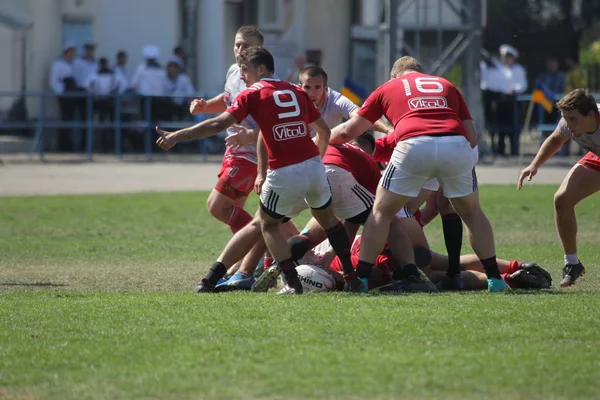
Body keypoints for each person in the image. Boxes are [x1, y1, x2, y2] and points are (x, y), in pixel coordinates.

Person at [156, 46, 360, 294]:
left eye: (245, 70)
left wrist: (178, 136)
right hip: (315, 169)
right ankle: (352, 278)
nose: (242, 76)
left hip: (285, 173)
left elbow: (219, 123)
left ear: (261, 69)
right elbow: (323, 131)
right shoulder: (296, 90)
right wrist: (316, 157)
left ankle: (290, 282)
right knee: (330, 223)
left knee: (267, 225)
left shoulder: (253, 93)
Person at [328, 56, 507, 292]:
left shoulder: (388, 87)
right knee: (472, 212)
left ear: (394, 75)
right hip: (455, 145)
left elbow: (348, 131)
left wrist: (315, 142)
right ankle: (494, 279)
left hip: (413, 145)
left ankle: (361, 279)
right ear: (421, 73)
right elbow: (472, 137)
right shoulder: (447, 85)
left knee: (381, 211)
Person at [518, 89, 600, 287]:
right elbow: (556, 139)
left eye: (573, 119)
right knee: (562, 199)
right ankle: (572, 264)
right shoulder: (568, 122)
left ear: (590, 115)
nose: (568, 125)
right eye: (565, 118)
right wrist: (534, 165)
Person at [188, 26, 263, 234]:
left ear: (260, 49)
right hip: (234, 151)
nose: (241, 49)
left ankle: (264, 242)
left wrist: (250, 136)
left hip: (251, 157)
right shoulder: (233, 70)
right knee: (232, 212)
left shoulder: (264, 81)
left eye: (247, 46)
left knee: (217, 205)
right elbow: (228, 98)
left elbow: (275, 125)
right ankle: (252, 260)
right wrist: (205, 107)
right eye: (237, 45)